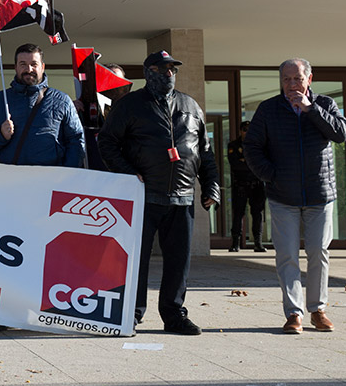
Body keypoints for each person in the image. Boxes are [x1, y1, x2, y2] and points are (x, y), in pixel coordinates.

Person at [98, 50, 220, 335]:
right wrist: (128, 174)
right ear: (147, 72)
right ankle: (131, 314)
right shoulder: (129, 105)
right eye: (161, 68)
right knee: (136, 260)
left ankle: (174, 314)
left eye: (171, 69)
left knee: (179, 261)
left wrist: (211, 185)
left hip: (182, 197)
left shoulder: (190, 105)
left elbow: (204, 151)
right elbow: (107, 143)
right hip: (144, 196)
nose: (168, 73)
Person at [245, 58, 346, 335]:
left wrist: (310, 109)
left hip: (320, 194)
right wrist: (271, 175)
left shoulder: (325, 105)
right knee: (287, 256)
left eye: (297, 79)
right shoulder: (268, 109)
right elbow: (252, 147)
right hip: (283, 196)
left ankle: (317, 310)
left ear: (309, 79)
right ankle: (294, 314)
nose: (292, 85)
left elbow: (341, 134)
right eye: (286, 80)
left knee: (318, 252)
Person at [0, 44, 86, 168]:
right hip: (7, 180)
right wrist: (0, 135)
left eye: (34, 64)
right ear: (15, 67)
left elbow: (76, 140)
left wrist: (67, 174)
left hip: (49, 180)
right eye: (23, 64)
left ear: (42, 67)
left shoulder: (62, 101)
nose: (29, 69)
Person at [77, 63, 129, 171]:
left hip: (126, 175)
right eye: (108, 79)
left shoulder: (135, 110)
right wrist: (70, 111)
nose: (113, 86)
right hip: (93, 174)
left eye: (117, 81)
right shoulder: (84, 109)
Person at [226, 121, 267, 253]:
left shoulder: (260, 144)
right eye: (244, 129)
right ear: (240, 131)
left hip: (257, 184)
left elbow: (263, 164)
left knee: (257, 214)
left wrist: (245, 162)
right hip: (241, 184)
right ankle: (235, 243)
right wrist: (251, 164)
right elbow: (235, 165)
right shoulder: (234, 145)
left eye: (249, 129)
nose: (247, 132)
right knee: (238, 214)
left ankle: (258, 243)